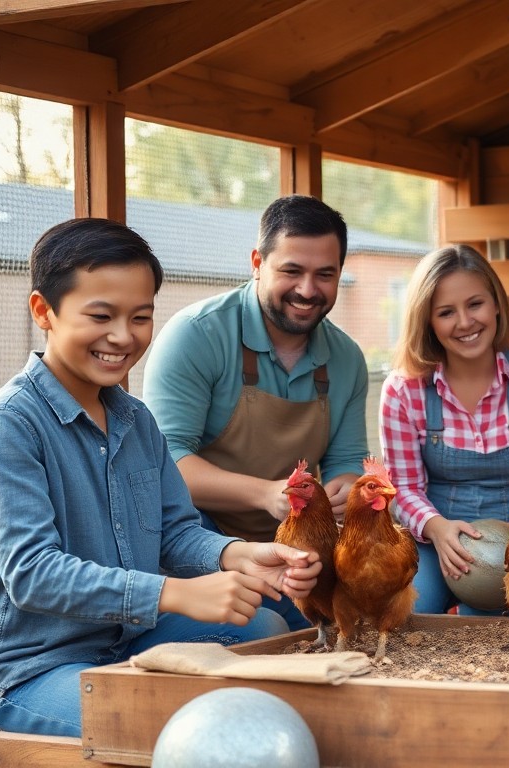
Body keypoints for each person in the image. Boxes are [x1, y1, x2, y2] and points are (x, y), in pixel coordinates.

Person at [0, 218, 321, 737]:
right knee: (182, 724)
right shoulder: (10, 425)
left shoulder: (136, 419)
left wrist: (238, 554)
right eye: (101, 315)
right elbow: (33, 573)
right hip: (33, 671)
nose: (123, 337)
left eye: (141, 317)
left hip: (127, 640)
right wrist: (171, 595)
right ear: (44, 311)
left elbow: (175, 531)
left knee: (261, 623)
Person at [143, 195, 369, 630]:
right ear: (257, 262)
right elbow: (164, 463)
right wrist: (266, 495)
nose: (308, 290)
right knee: (266, 632)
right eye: (291, 271)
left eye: (325, 274)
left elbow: (344, 463)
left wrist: (342, 491)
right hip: (196, 541)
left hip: (296, 548)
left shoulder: (347, 358)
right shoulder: (196, 336)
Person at [379, 244, 509, 615]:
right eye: (446, 312)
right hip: (433, 539)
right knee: (414, 614)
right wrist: (437, 529)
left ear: (496, 303)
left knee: (500, 630)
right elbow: (402, 488)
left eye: (475, 304)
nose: (465, 323)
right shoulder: (403, 389)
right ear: (427, 321)